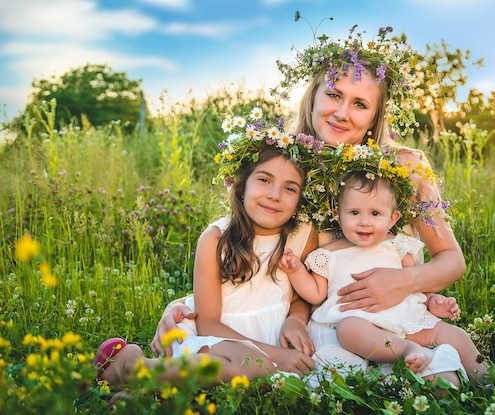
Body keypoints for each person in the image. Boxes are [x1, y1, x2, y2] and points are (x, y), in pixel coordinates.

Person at [153, 25, 477, 381]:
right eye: (334, 95)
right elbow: (251, 253)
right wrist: (185, 308)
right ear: (314, 95)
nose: (341, 112)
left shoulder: (402, 168)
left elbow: (452, 260)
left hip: (400, 315)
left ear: (374, 116)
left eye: (359, 104)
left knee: (448, 375)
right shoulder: (291, 164)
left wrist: (405, 280)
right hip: (331, 327)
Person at [95, 116, 323, 387]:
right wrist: (277, 356)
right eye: (264, 179)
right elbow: (209, 323)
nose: (275, 194)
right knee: (245, 366)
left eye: (290, 188)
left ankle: (141, 393)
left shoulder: (302, 237)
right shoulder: (216, 238)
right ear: (242, 187)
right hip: (216, 338)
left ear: (299, 200)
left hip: (270, 337)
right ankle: (135, 369)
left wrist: (296, 320)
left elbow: (300, 296)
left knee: (273, 375)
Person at [281, 170, 487, 385]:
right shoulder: (328, 253)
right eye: (354, 213)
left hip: (404, 322)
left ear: (392, 218)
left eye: (375, 214)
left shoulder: (397, 246)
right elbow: (315, 295)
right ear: (337, 215)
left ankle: (490, 383)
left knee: (456, 336)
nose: (364, 222)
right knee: (348, 329)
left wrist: (434, 301)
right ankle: (408, 352)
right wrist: (296, 271)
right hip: (363, 330)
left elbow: (416, 286)